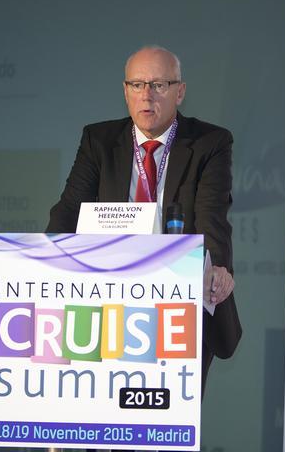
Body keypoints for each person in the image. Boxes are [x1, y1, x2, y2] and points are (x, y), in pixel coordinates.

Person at [47, 46, 242, 391]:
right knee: (104, 413)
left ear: (179, 92)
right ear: (125, 91)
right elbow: (69, 210)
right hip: (108, 301)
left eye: (158, 85)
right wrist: (44, 260)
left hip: (178, 304)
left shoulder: (210, 142)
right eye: (137, 85)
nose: (146, 95)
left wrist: (218, 268)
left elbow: (211, 217)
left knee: (165, 417)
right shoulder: (99, 141)